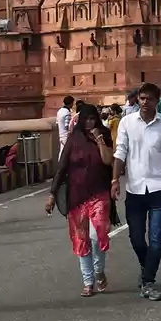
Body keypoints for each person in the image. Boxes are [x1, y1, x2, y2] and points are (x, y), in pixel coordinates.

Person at [112, 81, 161, 302]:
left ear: (157, 101)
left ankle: (148, 282)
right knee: (136, 239)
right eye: (142, 98)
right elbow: (120, 152)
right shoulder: (127, 123)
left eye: (149, 99)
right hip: (134, 189)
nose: (145, 102)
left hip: (158, 189)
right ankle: (147, 269)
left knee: (156, 239)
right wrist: (115, 179)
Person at [46, 103, 116, 296]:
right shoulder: (73, 139)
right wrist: (52, 194)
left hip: (99, 193)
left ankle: (99, 271)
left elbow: (109, 161)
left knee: (96, 235)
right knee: (81, 239)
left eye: (93, 119)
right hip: (77, 197)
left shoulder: (104, 135)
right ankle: (88, 281)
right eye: (86, 119)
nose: (89, 122)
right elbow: (62, 167)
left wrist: (100, 140)